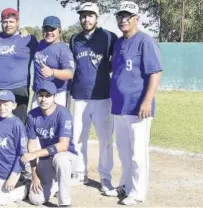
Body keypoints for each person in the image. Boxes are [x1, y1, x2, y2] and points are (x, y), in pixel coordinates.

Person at [104, 1, 162, 206]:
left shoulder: (145, 41)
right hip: (119, 106)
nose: (123, 19)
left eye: (128, 16)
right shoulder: (119, 43)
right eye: (120, 16)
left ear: (137, 18)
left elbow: (155, 73)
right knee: (124, 151)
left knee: (138, 154)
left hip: (138, 107)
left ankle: (138, 192)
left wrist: (147, 101)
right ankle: (126, 185)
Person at [68, 2, 118, 190]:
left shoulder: (108, 37)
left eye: (90, 15)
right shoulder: (74, 39)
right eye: (83, 15)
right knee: (78, 137)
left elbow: (116, 60)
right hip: (79, 96)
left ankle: (105, 177)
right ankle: (80, 173)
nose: (86, 19)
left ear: (96, 18)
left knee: (105, 138)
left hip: (103, 96)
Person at [22, 81, 77, 207]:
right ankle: (55, 184)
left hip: (68, 156)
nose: (43, 99)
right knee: (36, 199)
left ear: (54, 97)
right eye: (40, 95)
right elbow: (31, 145)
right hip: (47, 157)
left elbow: (63, 146)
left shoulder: (63, 113)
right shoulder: (32, 115)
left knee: (60, 159)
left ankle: (65, 202)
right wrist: (34, 175)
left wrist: (35, 154)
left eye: (48, 95)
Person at [0, 8, 38, 123]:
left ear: (17, 23)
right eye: (5, 22)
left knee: (18, 125)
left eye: (11, 22)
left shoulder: (29, 39)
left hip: (18, 89)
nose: (8, 25)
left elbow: (42, 58)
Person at [32, 16, 75, 109]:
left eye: (52, 29)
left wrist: (52, 72)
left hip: (57, 95)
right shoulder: (40, 44)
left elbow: (70, 74)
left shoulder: (64, 50)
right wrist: (22, 31)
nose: (49, 32)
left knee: (56, 123)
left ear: (59, 30)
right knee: (35, 122)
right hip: (38, 93)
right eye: (46, 29)